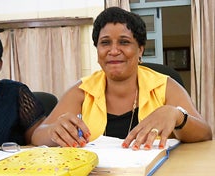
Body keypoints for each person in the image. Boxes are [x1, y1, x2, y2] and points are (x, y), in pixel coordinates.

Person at [31, 7, 212, 150]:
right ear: (98, 50)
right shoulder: (81, 90)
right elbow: (38, 135)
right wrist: (55, 131)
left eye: (124, 42)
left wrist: (177, 115)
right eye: (105, 43)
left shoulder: (165, 86)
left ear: (140, 49)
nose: (114, 51)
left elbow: (205, 133)